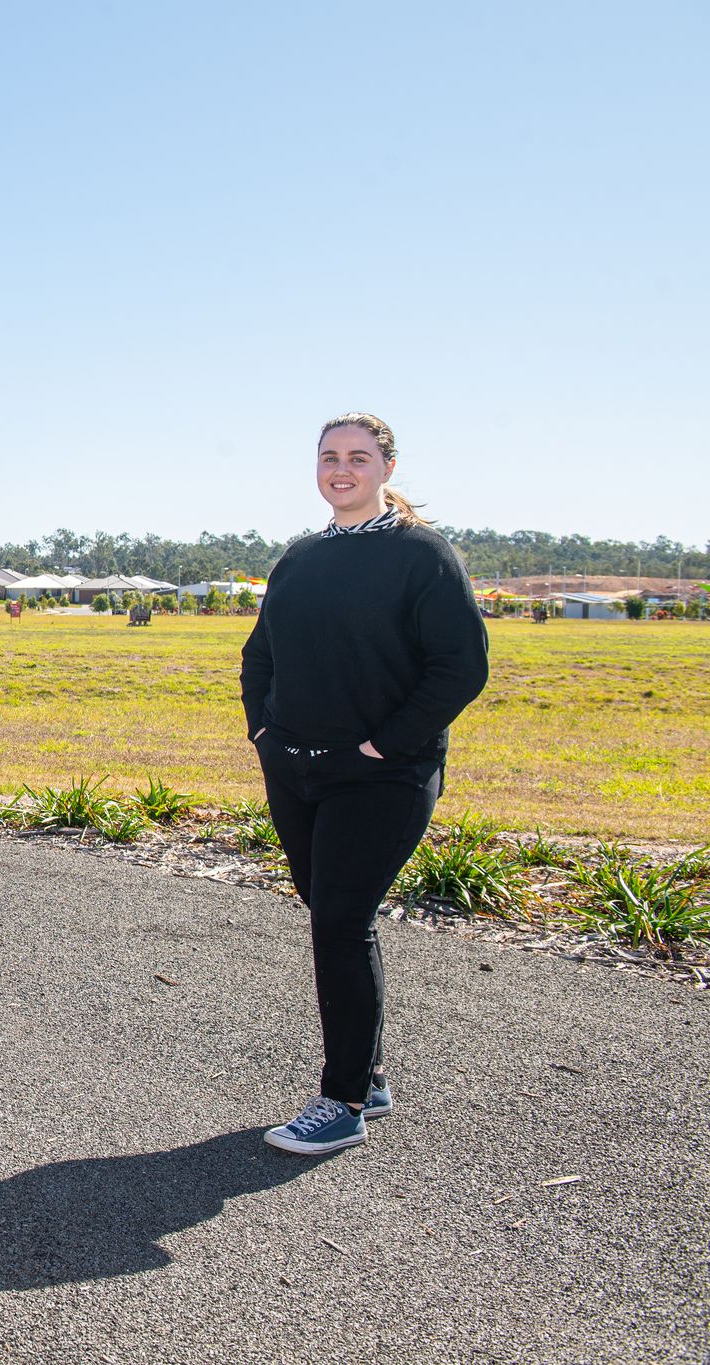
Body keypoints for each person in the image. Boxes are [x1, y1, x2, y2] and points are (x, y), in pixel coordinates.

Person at [240, 413, 489, 1155]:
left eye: (357, 457)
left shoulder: (422, 556)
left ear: (385, 467)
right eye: (329, 457)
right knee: (337, 915)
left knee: (340, 921)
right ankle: (369, 1072)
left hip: (383, 776)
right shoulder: (300, 556)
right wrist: (264, 733)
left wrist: (388, 743)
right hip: (297, 769)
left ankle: (342, 1100)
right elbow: (261, 655)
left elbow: (462, 666)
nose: (341, 468)